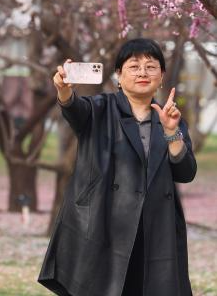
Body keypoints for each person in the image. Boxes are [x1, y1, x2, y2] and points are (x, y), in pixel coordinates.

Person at [38, 38, 197, 296]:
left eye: (151, 66)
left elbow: (186, 173)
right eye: (134, 66)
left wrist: (171, 132)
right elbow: (74, 108)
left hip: (156, 228)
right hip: (105, 225)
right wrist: (64, 90)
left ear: (162, 75)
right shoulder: (100, 109)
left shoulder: (171, 118)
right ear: (119, 76)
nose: (143, 72)